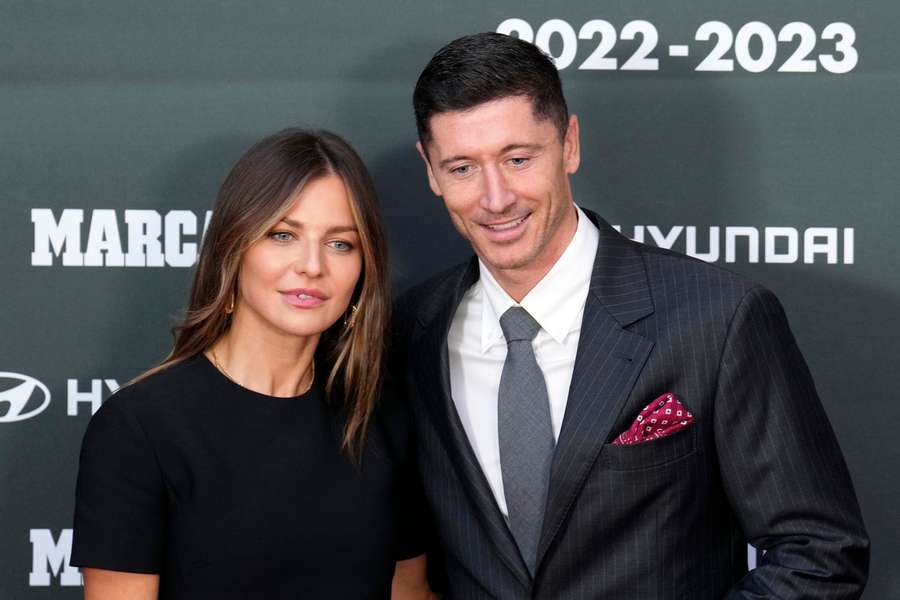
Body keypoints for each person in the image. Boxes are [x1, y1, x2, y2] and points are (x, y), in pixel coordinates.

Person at [392, 33, 870, 598]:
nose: (495, 199)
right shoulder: (410, 332)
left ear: (569, 143)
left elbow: (819, 553)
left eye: (518, 159)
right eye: (463, 168)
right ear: (430, 169)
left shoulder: (717, 319)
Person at [72, 129, 432, 599]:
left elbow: (410, 593)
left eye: (341, 244)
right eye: (283, 235)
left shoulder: (382, 417)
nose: (311, 265)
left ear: (364, 269)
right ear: (233, 246)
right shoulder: (140, 427)